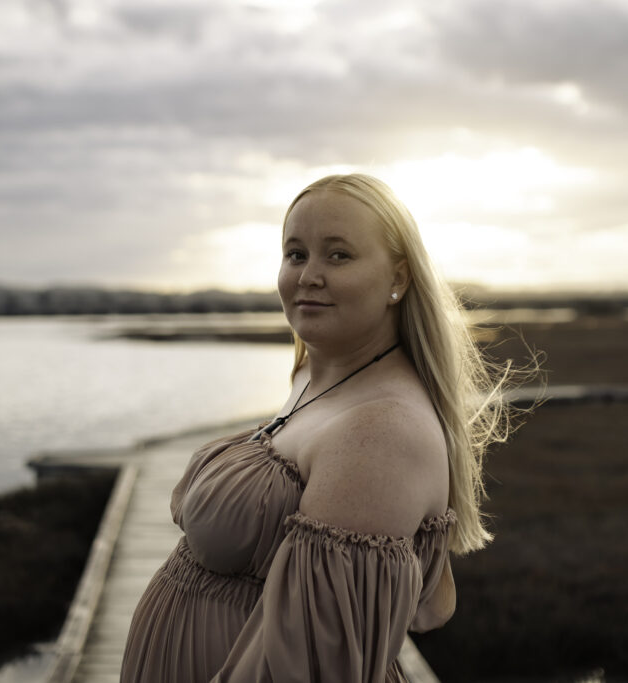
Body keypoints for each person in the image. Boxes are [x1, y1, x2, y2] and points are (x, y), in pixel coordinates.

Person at [121, 173, 520, 682]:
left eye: (338, 255)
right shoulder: (315, 374)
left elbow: (307, 667)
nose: (309, 275)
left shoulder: (384, 432)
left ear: (398, 278)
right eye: (295, 254)